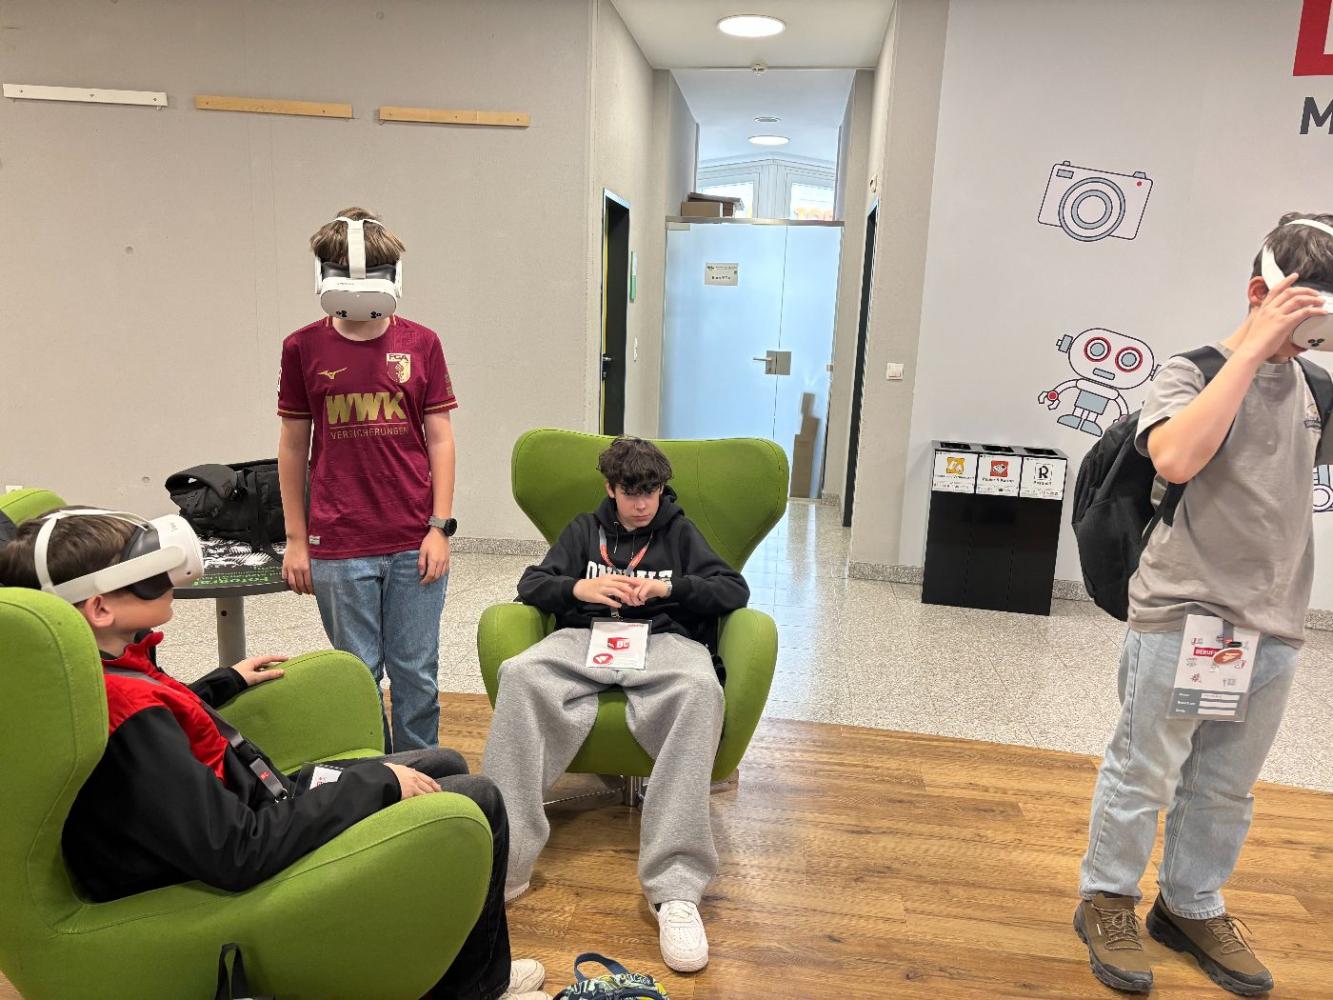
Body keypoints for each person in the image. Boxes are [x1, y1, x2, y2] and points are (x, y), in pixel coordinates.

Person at [0, 510, 547, 1000]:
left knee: (442, 762)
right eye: (145, 573)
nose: (167, 579)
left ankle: (470, 969)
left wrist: (221, 683)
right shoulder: (128, 717)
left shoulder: (98, 672)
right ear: (99, 607)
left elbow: (161, 716)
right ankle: (478, 989)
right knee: (476, 797)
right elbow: (237, 851)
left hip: (253, 800)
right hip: (248, 842)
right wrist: (379, 785)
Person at [1075, 213, 1333, 996]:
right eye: (1306, 315)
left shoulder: (1317, 389)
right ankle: (1107, 898)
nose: (1312, 338)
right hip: (1189, 611)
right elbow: (1178, 456)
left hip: (1274, 619)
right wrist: (1252, 349)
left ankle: (1188, 904)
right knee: (1145, 769)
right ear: (1260, 292)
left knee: (1224, 784)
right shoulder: (1188, 371)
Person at [482, 437, 749, 974]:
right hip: (586, 637)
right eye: (632, 492)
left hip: (662, 642)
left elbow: (732, 590)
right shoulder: (584, 529)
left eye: (652, 492)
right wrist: (580, 590)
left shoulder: (679, 532)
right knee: (520, 674)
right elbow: (532, 583)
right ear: (611, 489)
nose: (644, 503)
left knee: (700, 690)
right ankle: (501, 868)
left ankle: (676, 889)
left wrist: (669, 589)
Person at [277, 207, 458, 751]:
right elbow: (293, 446)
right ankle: (375, 778)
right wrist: (295, 539)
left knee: (416, 674)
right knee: (357, 677)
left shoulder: (422, 343)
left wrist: (440, 528)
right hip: (338, 542)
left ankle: (423, 775)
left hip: (413, 540)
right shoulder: (302, 347)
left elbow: (441, 439)